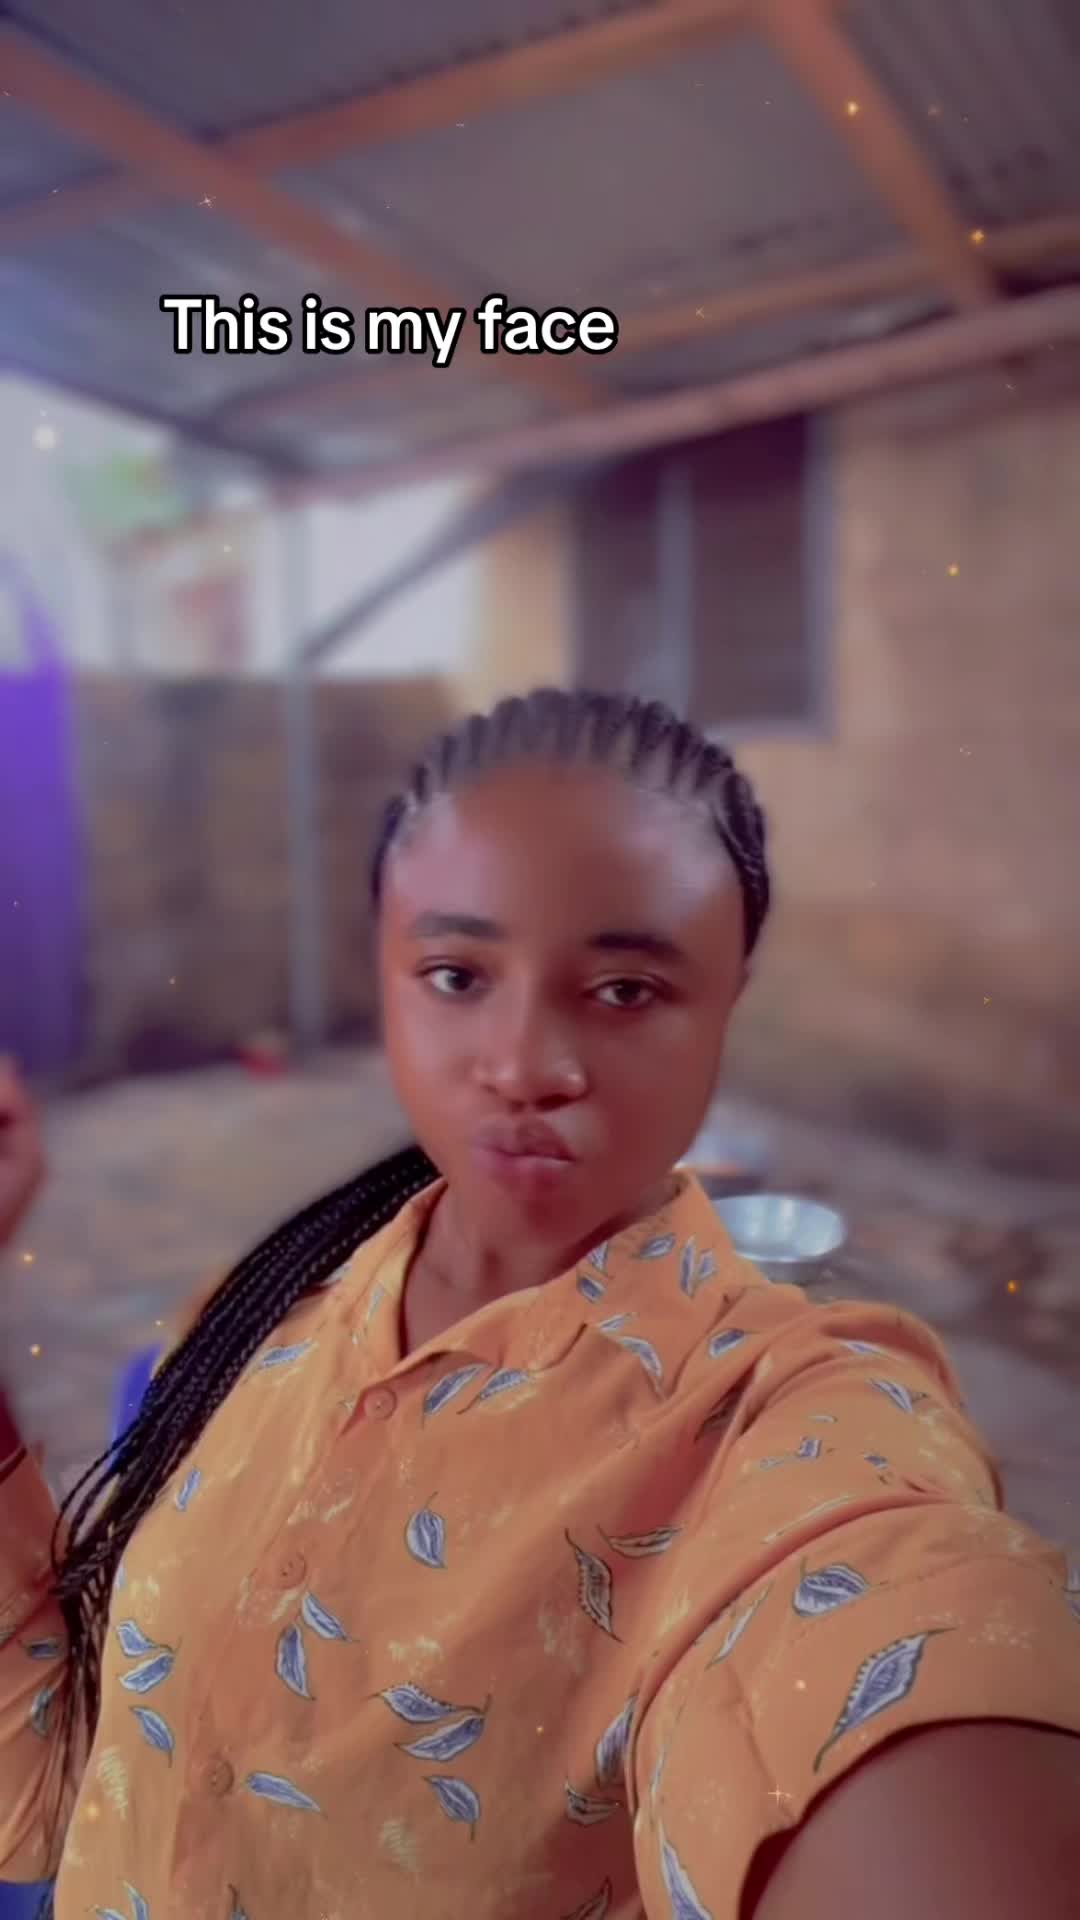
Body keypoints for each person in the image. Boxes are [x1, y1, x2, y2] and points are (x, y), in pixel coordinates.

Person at [1, 688, 1077, 1920]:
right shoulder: (258, 1309)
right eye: (456, 975)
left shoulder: (779, 1419)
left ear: (727, 1000)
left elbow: (899, 1639)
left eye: (624, 990)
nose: (522, 1067)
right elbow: (56, 1790)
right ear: (386, 978)